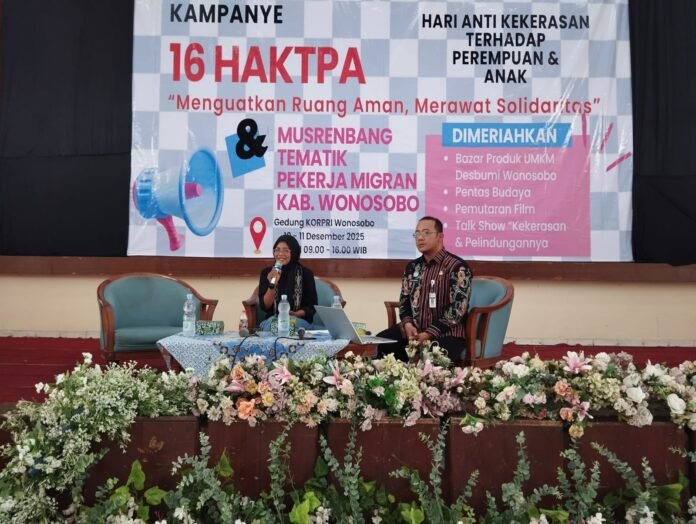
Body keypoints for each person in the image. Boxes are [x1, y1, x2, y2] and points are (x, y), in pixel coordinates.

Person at [376, 216, 473, 362]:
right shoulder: (412, 267)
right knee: (380, 344)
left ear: (440, 236)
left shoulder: (457, 267)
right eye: (417, 234)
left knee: (433, 359)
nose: (420, 238)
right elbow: (404, 301)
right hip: (413, 331)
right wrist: (407, 324)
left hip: (446, 334)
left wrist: (429, 333)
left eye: (426, 233)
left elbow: (458, 309)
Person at [258, 234, 318, 332]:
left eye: (286, 250)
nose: (280, 254)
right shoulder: (267, 273)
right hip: (274, 319)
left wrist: (296, 314)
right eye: (277, 250)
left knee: (287, 325)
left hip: (298, 320)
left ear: (294, 252)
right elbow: (265, 306)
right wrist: (272, 284)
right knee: (272, 325)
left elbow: (312, 307)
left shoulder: (306, 273)